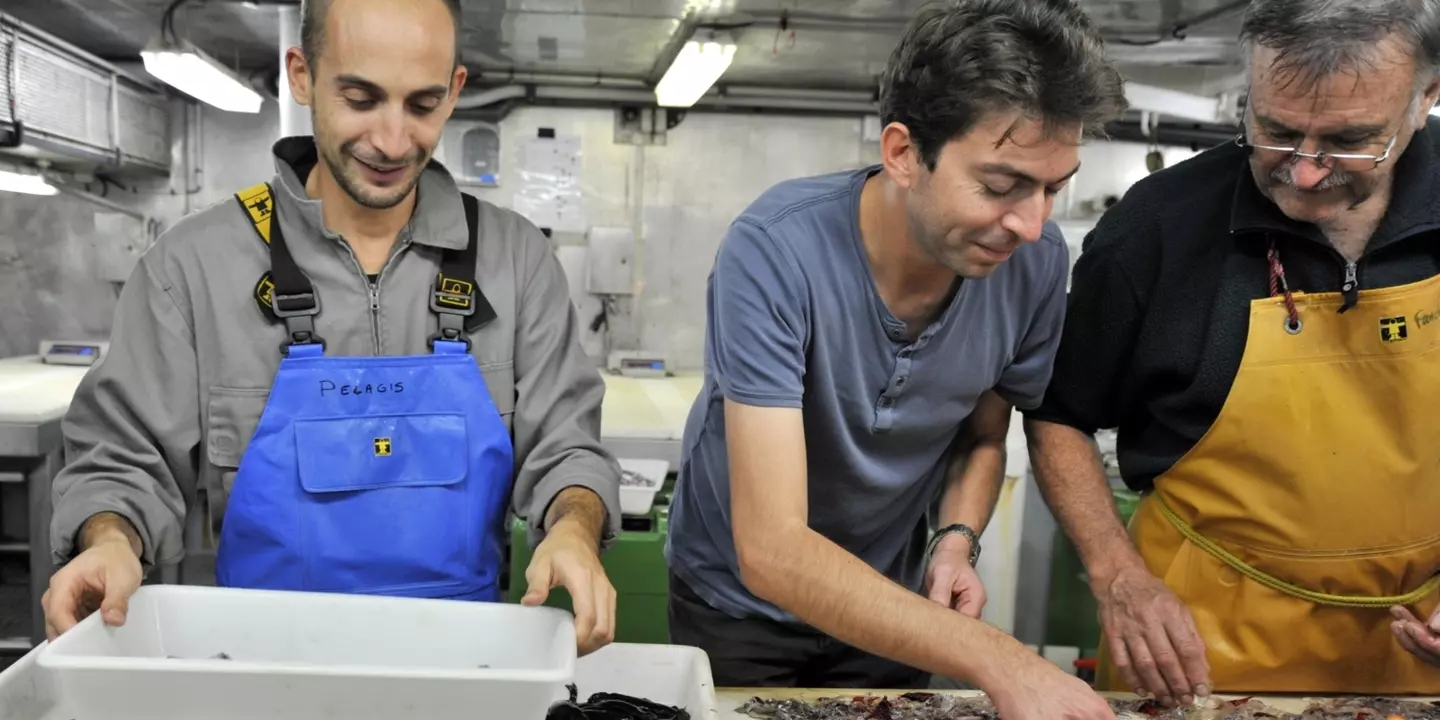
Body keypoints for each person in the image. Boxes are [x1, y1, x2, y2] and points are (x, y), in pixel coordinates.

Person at [41, 0, 622, 655]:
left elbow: (567, 446)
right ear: (301, 74)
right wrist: (111, 538)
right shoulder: (192, 268)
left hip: (462, 662)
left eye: (423, 104)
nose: (393, 141)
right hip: (258, 665)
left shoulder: (515, 260)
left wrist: (573, 525)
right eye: (360, 97)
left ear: (456, 89)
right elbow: (121, 460)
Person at [664, 0, 1128, 716]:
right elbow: (773, 549)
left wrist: (955, 542)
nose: (1032, 225)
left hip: (892, 601)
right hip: (736, 604)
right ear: (903, 153)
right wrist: (995, 656)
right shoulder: (776, 252)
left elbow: (981, 435)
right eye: (1002, 187)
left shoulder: (1033, 267)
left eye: (1053, 189)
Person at [1024, 0, 1440, 705]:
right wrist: (1118, 577)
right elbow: (1058, 414)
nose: (1304, 174)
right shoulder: (1156, 229)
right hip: (1197, 647)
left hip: (1415, 649)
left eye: (1348, 141)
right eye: (1275, 131)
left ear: (1425, 98)